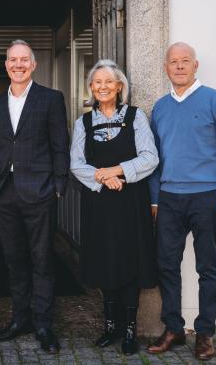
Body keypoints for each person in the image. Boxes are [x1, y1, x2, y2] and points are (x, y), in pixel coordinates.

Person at [146, 42, 216, 360]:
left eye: (184, 61)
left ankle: (205, 334)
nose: (179, 66)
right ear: (165, 68)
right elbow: (154, 159)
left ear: (195, 65)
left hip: (205, 198)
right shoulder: (160, 108)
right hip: (170, 199)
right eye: (173, 62)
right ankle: (174, 329)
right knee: (167, 266)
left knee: (208, 268)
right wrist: (155, 199)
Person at [0, 40, 69, 354]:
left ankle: (44, 323)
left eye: (24, 60)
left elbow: (61, 145)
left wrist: (59, 187)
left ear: (33, 65)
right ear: (6, 65)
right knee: (14, 260)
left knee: (43, 260)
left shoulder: (50, 99)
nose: (17, 65)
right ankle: (20, 319)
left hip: (40, 192)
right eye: (12, 60)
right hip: (3, 194)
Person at [69, 59, 159, 354]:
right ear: (91, 88)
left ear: (120, 87)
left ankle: (130, 329)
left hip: (131, 202)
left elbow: (149, 158)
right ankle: (110, 327)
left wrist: (116, 171)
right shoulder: (83, 122)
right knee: (105, 260)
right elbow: (76, 164)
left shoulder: (136, 117)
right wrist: (103, 179)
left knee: (130, 261)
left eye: (109, 82)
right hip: (99, 203)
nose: (103, 87)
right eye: (97, 82)